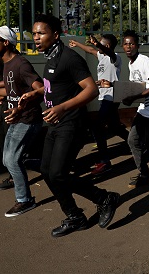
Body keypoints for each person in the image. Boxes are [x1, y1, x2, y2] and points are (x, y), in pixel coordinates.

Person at [26, 14, 119, 237]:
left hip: (71, 123)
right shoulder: (51, 56)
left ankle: (104, 198)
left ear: (55, 35)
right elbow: (55, 87)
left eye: (41, 33)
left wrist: (62, 108)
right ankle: (75, 216)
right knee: (48, 172)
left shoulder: (69, 57)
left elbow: (91, 89)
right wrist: (34, 94)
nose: (36, 38)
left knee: (58, 173)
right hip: (56, 123)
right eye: (35, 33)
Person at [0, 26, 44, 217]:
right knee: (8, 159)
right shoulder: (6, 63)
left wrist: (23, 103)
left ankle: (24, 200)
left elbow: (41, 89)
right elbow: (11, 89)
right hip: (16, 118)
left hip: (27, 119)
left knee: (12, 159)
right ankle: (48, 164)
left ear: (5, 43)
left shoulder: (21, 64)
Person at [68, 34, 127, 175]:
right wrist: (77, 44)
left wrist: (97, 44)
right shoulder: (101, 56)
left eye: (100, 44)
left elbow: (107, 51)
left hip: (112, 97)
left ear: (106, 46)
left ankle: (105, 162)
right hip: (104, 97)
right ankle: (138, 143)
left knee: (96, 127)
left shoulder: (115, 58)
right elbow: (89, 50)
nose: (96, 47)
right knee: (115, 127)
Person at [119, 30, 149, 188]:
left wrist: (133, 98)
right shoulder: (131, 63)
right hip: (143, 110)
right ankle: (145, 174)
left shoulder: (144, 61)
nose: (128, 47)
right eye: (126, 44)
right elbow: (138, 87)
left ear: (137, 46)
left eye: (132, 44)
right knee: (133, 140)